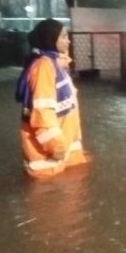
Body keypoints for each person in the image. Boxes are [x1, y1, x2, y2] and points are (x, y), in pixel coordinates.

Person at [15, 19, 91, 178]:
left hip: (63, 157)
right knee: (51, 200)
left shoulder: (55, 64)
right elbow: (42, 112)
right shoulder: (43, 67)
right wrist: (56, 147)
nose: (68, 40)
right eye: (63, 37)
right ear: (51, 39)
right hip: (48, 161)